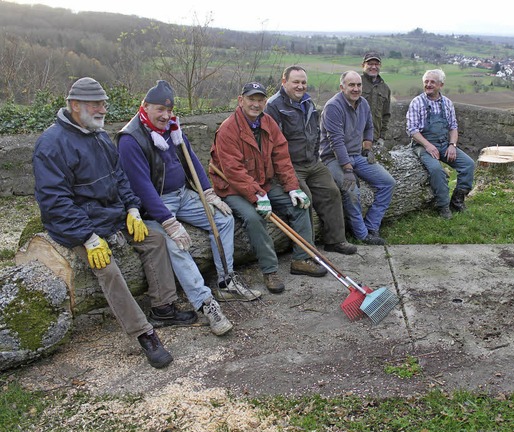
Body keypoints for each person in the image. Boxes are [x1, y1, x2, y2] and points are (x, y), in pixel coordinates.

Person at [32, 77, 195, 369]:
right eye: (95, 104)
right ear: (74, 105)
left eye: (103, 104)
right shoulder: (51, 144)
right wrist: (87, 237)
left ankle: (163, 307)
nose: (101, 109)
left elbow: (120, 177)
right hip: (78, 226)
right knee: (107, 268)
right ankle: (144, 333)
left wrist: (132, 208)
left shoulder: (99, 136)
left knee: (156, 239)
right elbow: (55, 201)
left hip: (111, 216)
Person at [116, 80, 261, 336]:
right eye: (159, 109)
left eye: (168, 110)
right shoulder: (131, 139)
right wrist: (168, 223)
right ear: (145, 107)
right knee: (176, 244)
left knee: (223, 220)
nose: (165, 115)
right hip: (155, 206)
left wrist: (208, 193)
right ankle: (205, 303)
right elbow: (142, 188)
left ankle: (226, 281)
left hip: (183, 195)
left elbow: (190, 157)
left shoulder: (172, 127)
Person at [209, 81, 327, 294]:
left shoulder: (268, 123)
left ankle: (301, 259)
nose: (255, 104)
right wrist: (257, 196)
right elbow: (233, 171)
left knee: (301, 204)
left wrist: (292, 188)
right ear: (240, 100)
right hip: (233, 188)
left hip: (262, 183)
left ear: (265, 102)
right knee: (255, 218)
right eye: (251, 99)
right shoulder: (228, 129)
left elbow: (281, 157)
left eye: (260, 100)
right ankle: (270, 270)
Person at [265, 66, 357, 256]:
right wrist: (284, 171)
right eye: (296, 82)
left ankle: (335, 241)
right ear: (284, 82)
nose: (300, 86)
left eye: (303, 82)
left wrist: (315, 156)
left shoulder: (308, 102)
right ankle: (308, 250)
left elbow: (315, 132)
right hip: (290, 165)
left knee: (332, 192)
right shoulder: (274, 106)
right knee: (303, 198)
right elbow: (272, 144)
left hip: (312, 162)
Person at [319, 71, 396, 245]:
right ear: (342, 87)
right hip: (333, 158)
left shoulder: (363, 104)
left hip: (356, 154)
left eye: (358, 85)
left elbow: (369, 127)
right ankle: (362, 235)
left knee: (388, 183)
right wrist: (347, 169)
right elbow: (336, 142)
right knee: (352, 191)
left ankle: (372, 226)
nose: (356, 89)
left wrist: (367, 148)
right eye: (351, 85)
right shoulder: (333, 107)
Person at [406, 69, 475, 219]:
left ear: (441, 85)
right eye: (426, 82)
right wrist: (428, 145)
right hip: (422, 145)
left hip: (444, 143)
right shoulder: (417, 102)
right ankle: (443, 206)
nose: (428, 85)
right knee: (437, 170)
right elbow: (412, 130)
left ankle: (457, 201)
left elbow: (453, 127)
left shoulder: (447, 103)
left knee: (468, 164)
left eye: (432, 82)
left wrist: (452, 145)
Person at [361, 51, 391, 150]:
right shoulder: (356, 84)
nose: (373, 67)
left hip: (374, 139)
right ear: (363, 65)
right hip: (356, 139)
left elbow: (386, 115)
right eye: (370, 64)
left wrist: (382, 137)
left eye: (376, 64)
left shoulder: (385, 88)